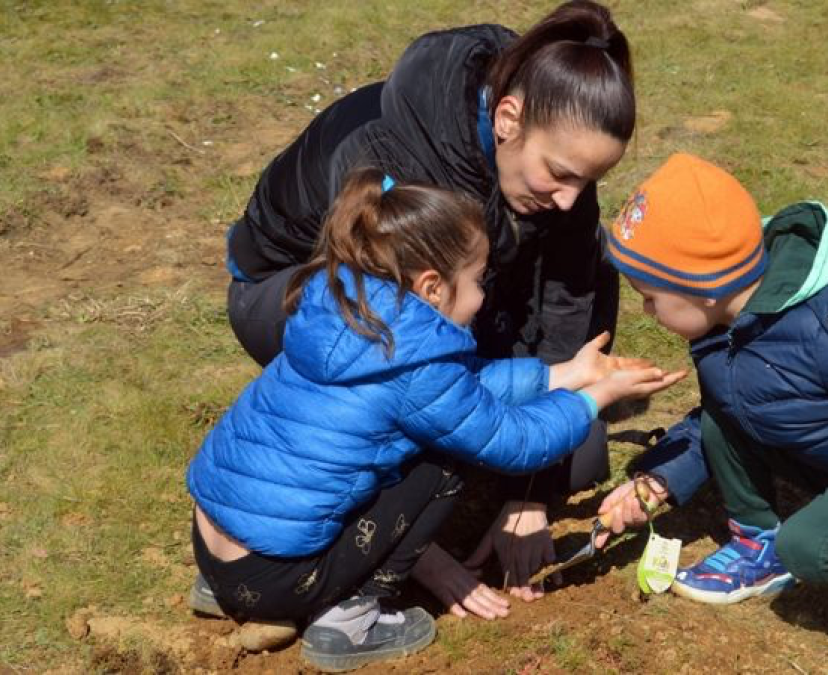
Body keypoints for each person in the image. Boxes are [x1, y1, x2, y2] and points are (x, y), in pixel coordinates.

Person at [221, 1, 636, 612]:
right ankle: (363, 569)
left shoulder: (552, 156)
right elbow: (370, 333)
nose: (573, 201)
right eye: (560, 175)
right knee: (430, 425)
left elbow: (571, 294)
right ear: (508, 118)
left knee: (578, 457)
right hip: (295, 298)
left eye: (587, 182)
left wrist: (531, 491)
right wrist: (415, 554)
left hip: (436, 300)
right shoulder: (395, 165)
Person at [187, 169, 683, 671]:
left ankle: (231, 593)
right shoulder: (418, 366)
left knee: (426, 427)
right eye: (477, 280)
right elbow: (512, 440)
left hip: (215, 551)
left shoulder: (348, 307)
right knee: (447, 456)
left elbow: (459, 392)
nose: (483, 295)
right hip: (275, 574)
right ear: (431, 287)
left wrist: (565, 373)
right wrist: (595, 398)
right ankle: (350, 619)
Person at [595, 154, 828, 668]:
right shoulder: (724, 323)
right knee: (719, 416)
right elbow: (725, 410)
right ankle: (757, 541)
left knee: (809, 547)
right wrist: (658, 480)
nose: (645, 311)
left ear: (704, 289)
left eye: (651, 297)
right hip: (821, 459)